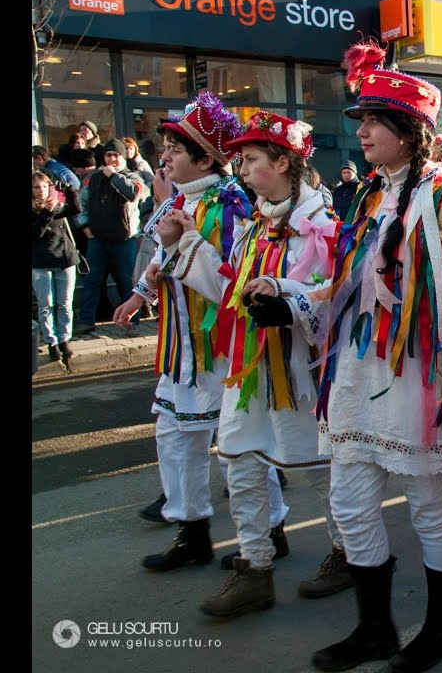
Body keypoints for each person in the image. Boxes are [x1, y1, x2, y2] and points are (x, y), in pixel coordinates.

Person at [246, 42, 442, 673]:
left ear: (410, 130)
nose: (359, 131)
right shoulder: (366, 197)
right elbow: (347, 283)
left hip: (420, 374)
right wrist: (290, 296)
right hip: (359, 373)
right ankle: (374, 630)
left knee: (428, 503)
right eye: (360, 120)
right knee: (350, 501)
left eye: (372, 121)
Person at [155, 110, 348, 618]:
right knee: (239, 459)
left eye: (252, 159)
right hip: (248, 372)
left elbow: (337, 300)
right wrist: (185, 243)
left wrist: (287, 295)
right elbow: (227, 290)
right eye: (241, 159)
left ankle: (347, 552)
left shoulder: (322, 229)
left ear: (284, 162)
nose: (240, 169)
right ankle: (255, 568)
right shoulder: (256, 226)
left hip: (298, 375)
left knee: (322, 467)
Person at [111, 93, 252, 574]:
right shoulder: (179, 201)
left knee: (240, 445)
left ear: (206, 157)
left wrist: (183, 246)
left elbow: (229, 288)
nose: (163, 157)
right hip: (181, 349)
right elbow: (159, 261)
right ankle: (192, 533)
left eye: (174, 148)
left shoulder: (230, 207)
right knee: (174, 436)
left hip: (221, 350)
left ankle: (267, 533)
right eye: (165, 148)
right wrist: (140, 294)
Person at [73, 138, 147, 335]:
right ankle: (87, 320)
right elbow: (80, 204)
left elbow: (134, 193)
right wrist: (85, 227)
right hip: (98, 240)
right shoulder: (93, 178)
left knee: (128, 282)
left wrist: (114, 176)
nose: (112, 159)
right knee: (92, 280)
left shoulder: (133, 177)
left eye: (116, 155)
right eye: (108, 155)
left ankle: (133, 322)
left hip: (125, 241)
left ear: (123, 156)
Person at [32, 169, 82, 366]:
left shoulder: (58, 204)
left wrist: (69, 191)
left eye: (45, 186)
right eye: (37, 187)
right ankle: (52, 342)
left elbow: (76, 209)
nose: (42, 191)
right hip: (40, 263)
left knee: (65, 304)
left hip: (64, 259)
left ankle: (65, 340)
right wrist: (46, 212)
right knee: (46, 305)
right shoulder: (39, 209)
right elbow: (36, 232)